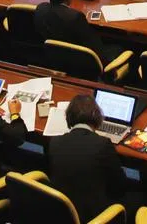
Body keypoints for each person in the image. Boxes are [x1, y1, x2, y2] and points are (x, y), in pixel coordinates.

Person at [47, 94, 127, 223]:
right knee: (139, 200)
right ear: (97, 117)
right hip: (92, 215)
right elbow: (119, 186)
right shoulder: (103, 144)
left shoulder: (54, 141)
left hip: (61, 212)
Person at [34, 0, 123, 64]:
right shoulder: (75, 17)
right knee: (120, 47)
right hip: (83, 63)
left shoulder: (40, 9)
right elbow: (95, 49)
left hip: (55, 59)